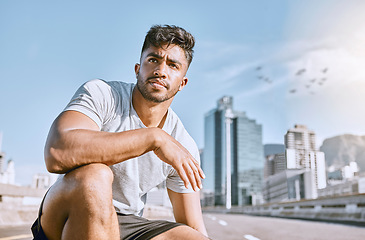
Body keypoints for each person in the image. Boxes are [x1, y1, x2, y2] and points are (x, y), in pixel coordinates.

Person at [31, 24, 210, 240]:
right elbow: (56, 152)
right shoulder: (103, 94)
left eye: (172, 65)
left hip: (127, 224)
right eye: (153, 60)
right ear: (137, 69)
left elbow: (193, 225)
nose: (160, 71)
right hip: (68, 209)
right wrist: (154, 138)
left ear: (182, 83)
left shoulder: (183, 145)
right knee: (95, 176)